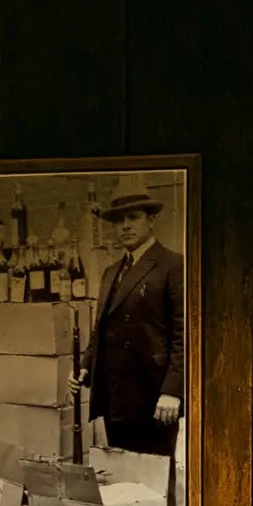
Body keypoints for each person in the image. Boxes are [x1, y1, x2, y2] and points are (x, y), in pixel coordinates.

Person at [73, 181, 184, 455]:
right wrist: (86, 366)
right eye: (119, 220)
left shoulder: (174, 265)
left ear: (151, 220)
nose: (125, 225)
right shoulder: (111, 271)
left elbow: (186, 333)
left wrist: (173, 390)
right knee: (122, 483)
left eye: (133, 217)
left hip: (154, 397)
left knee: (153, 483)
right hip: (116, 397)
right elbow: (102, 328)